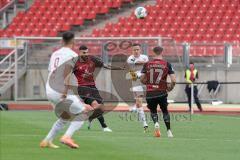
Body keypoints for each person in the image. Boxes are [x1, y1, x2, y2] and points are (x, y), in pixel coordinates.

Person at [40, 32, 93, 149]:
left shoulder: (55, 54)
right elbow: (68, 74)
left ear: (61, 41)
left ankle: (47, 140)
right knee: (85, 112)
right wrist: (65, 93)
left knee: (65, 117)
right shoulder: (73, 55)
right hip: (61, 90)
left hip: (49, 90)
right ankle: (67, 137)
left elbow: (51, 71)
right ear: (73, 42)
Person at [74, 45, 123, 132]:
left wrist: (118, 68)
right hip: (83, 88)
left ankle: (90, 117)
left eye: (87, 52)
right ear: (79, 52)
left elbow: (106, 66)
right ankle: (104, 126)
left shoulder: (92, 59)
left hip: (93, 87)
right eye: (83, 53)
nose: (86, 54)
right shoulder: (75, 63)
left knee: (101, 108)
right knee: (96, 105)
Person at [140, 46, 176, 138]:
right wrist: (170, 87)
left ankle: (156, 122)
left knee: (153, 111)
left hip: (150, 92)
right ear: (162, 52)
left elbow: (142, 79)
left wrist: (147, 82)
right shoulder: (167, 64)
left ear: (153, 52)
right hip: (161, 92)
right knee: (165, 111)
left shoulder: (147, 64)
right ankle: (169, 131)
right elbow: (174, 80)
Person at [127, 43, 148, 132]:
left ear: (140, 50)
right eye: (134, 50)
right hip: (136, 81)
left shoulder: (145, 57)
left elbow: (146, 66)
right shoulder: (130, 59)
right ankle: (145, 124)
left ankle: (136, 107)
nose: (136, 51)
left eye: (137, 49)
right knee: (140, 101)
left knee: (142, 100)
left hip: (145, 80)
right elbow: (132, 71)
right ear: (132, 51)